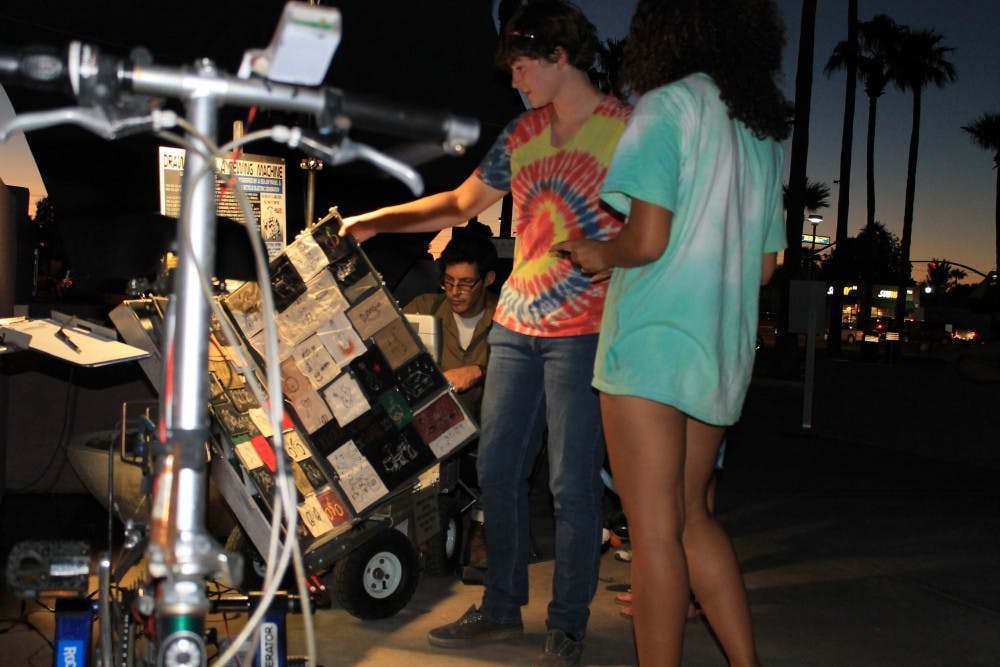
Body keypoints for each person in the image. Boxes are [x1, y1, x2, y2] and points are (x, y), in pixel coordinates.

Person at [341, 2, 630, 664]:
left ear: (560, 56)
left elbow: (651, 230)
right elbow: (459, 203)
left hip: (584, 330)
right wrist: (378, 220)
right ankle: (501, 606)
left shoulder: (624, 130)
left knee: (571, 485)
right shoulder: (522, 133)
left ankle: (567, 624)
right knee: (496, 470)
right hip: (515, 328)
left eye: (522, 67)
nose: (514, 80)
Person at [553, 0, 789, 665]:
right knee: (692, 517)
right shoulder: (760, 131)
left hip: (651, 345)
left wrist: (599, 254)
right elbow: (766, 266)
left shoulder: (666, 106)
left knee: (654, 531)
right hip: (717, 352)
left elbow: (647, 239)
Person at [402, 229, 499, 420]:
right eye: (448, 281)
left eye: (465, 283)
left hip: (486, 429)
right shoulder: (424, 308)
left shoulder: (508, 319)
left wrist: (480, 372)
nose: (454, 292)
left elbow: (529, 374)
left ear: (488, 279)